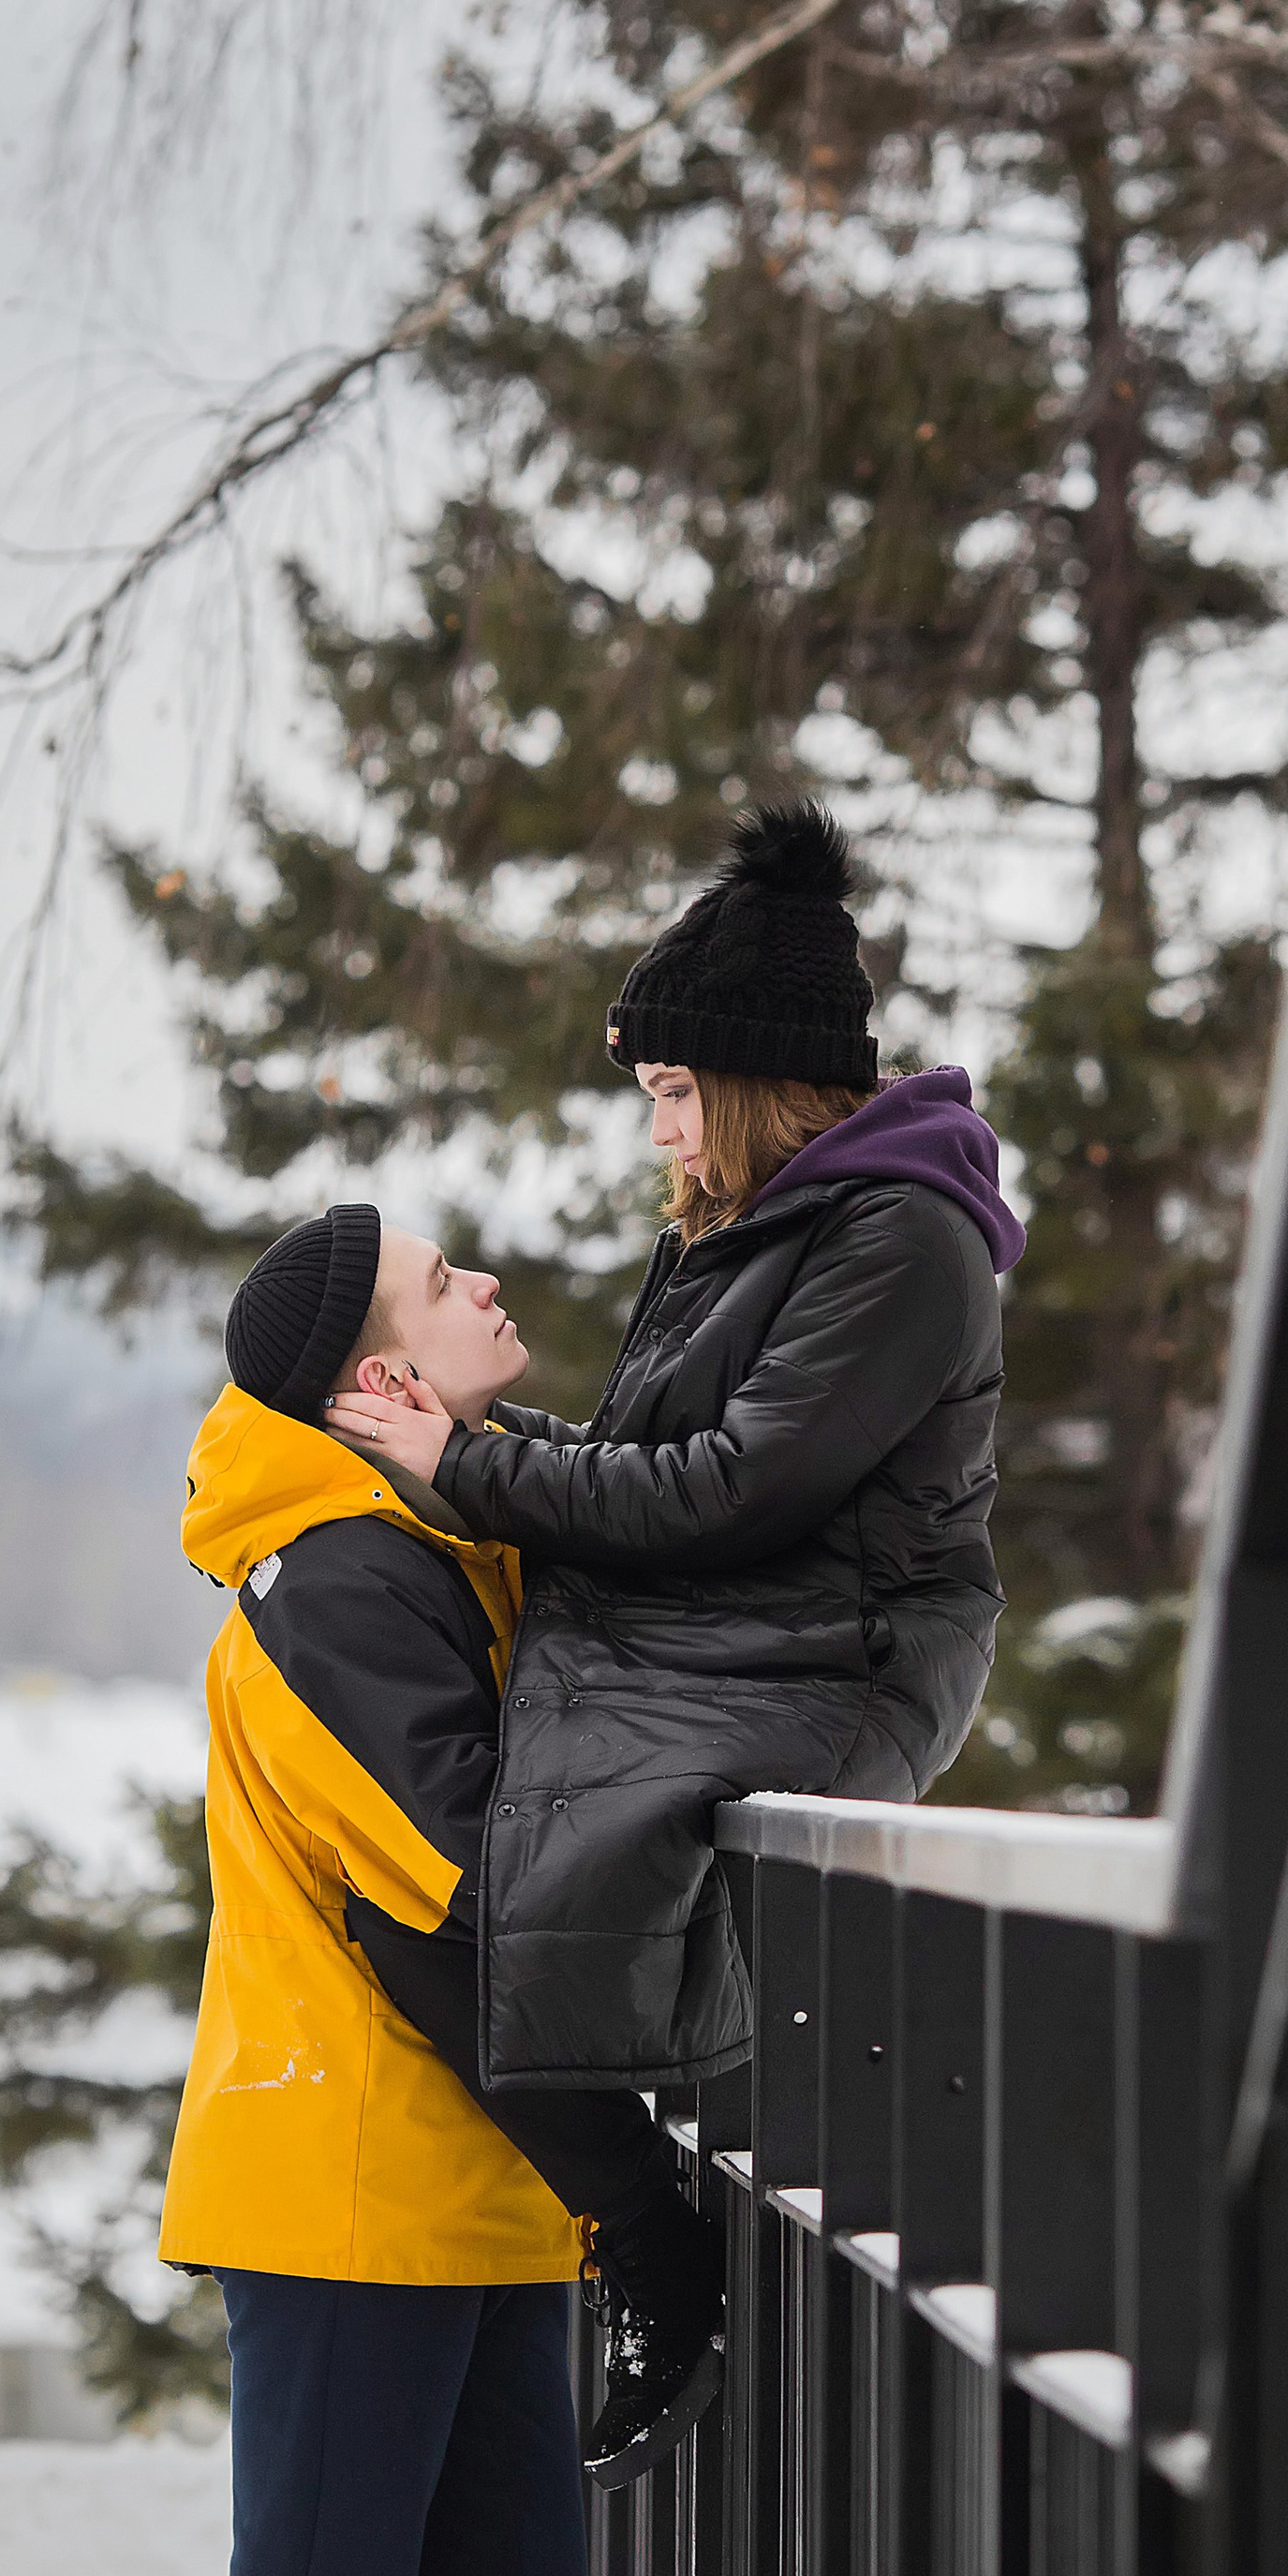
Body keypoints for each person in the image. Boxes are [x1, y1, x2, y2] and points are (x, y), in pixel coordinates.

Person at [158, 1203, 711, 2576]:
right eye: (440, 1285)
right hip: (345, 2176)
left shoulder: (436, 1554)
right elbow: (462, 1908)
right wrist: (633, 2184)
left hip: (454, 2184)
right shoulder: (342, 1586)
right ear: (381, 1384)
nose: (487, 1289)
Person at [323, 796, 1026, 2107]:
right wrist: (469, 1434)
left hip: (827, 1660)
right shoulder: (749, 1231)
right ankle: (631, 2182)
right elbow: (644, 1457)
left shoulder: (901, 1244)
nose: (662, 1134)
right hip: (736, 1636)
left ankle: (638, 2189)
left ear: (754, 1079)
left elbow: (726, 1493)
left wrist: (466, 1463)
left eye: (676, 1093)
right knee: (486, 1836)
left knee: (527, 1872)